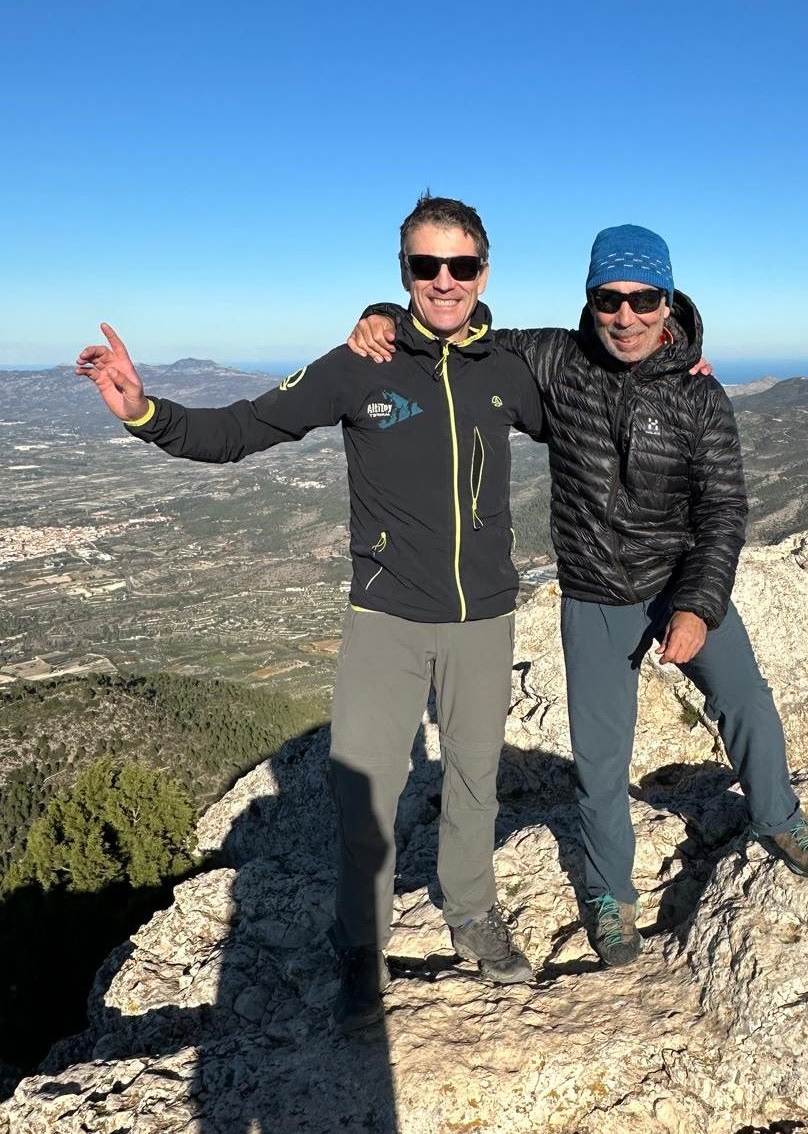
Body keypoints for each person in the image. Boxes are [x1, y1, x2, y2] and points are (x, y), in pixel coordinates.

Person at [75, 195, 543, 1030]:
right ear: (403, 274)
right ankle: (360, 942)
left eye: (460, 266)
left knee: (475, 778)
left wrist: (676, 366)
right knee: (365, 786)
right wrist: (146, 414)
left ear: (484, 271)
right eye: (425, 266)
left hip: (483, 617)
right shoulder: (357, 362)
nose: (444, 281)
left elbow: (589, 409)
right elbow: (247, 426)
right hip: (385, 616)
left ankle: (471, 913)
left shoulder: (505, 367)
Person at [349, 224, 808, 968]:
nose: (626, 315)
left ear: (668, 302)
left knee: (744, 698)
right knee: (600, 759)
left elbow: (724, 509)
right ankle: (611, 894)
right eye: (610, 298)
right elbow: (458, 325)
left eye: (644, 299)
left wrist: (697, 605)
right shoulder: (556, 357)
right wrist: (386, 312)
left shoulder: (700, 396)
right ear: (591, 299)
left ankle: (778, 813)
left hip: (676, 579)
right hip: (594, 595)